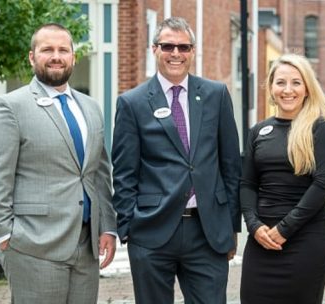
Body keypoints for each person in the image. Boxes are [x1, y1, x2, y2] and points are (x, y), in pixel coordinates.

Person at [0, 23, 117, 304]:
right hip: (33, 247)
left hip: (86, 246)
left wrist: (108, 227)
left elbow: (99, 174)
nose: (56, 56)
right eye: (47, 50)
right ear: (32, 57)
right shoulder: (10, 107)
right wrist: (5, 236)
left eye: (63, 50)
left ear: (74, 57)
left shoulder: (91, 108)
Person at [111, 17, 241, 304]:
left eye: (184, 47)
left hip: (206, 231)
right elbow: (123, 173)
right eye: (168, 46)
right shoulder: (132, 103)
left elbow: (231, 165)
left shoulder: (215, 95)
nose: (176, 54)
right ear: (154, 49)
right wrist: (129, 227)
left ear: (193, 51)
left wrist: (230, 227)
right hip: (152, 233)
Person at [240, 54, 325, 304]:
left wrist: (285, 229)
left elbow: (322, 186)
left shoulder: (320, 129)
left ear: (307, 88)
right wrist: (253, 225)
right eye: (281, 82)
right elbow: (247, 184)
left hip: (305, 239)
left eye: (296, 82)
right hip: (261, 238)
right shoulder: (258, 131)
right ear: (271, 88)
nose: (288, 90)